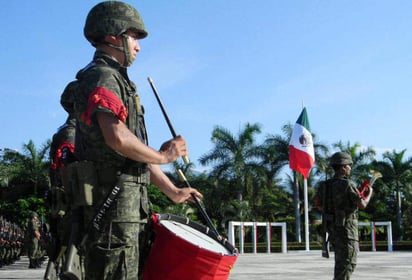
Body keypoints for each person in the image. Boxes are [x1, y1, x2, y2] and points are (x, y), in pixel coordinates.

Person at [65, 1, 202, 279]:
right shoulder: (103, 76)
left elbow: (134, 152)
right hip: (112, 212)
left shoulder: (118, 80)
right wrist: (164, 156)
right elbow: (117, 138)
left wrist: (172, 191)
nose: (138, 46)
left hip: (126, 210)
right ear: (114, 35)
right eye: (134, 37)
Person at [317, 152, 374, 280]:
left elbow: (320, 207)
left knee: (340, 265)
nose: (350, 168)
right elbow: (362, 204)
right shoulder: (347, 184)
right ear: (343, 167)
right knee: (348, 265)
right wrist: (369, 193)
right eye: (348, 166)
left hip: (333, 230)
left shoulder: (324, 185)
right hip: (347, 231)